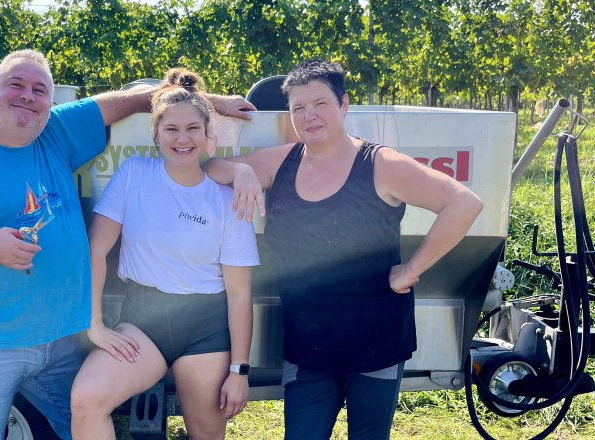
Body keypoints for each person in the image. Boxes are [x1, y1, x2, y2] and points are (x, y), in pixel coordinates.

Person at [0, 49, 255, 440]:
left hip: (60, 341)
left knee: (81, 422)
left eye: (39, 90)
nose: (27, 97)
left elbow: (136, 99)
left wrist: (212, 103)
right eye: (15, 85)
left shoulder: (54, 134)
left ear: (51, 103)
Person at [203, 59, 484, 439]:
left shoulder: (380, 164)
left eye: (320, 104)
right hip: (307, 350)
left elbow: (464, 204)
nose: (309, 116)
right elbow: (211, 168)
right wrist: (241, 171)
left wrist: (413, 269)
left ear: (344, 104)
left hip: (375, 346)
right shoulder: (282, 162)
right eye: (298, 108)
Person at [70, 68, 259, 440]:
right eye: (171, 129)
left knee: (206, 434)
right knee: (86, 399)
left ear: (209, 137)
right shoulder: (134, 175)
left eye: (193, 129)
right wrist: (94, 324)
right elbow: (96, 249)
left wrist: (239, 371)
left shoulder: (228, 199)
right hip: (143, 322)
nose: (182, 138)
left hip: (205, 331)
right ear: (156, 135)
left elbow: (239, 294)